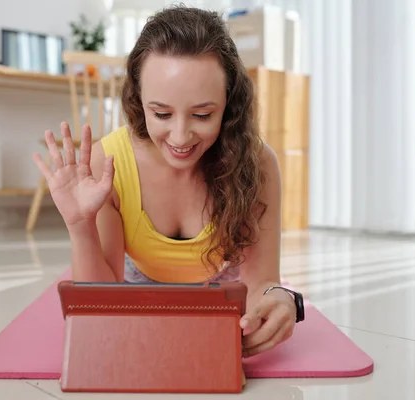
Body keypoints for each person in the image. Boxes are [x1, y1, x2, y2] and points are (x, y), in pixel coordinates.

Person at [33, 6, 298, 358]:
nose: (180, 135)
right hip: (137, 281)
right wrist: (80, 225)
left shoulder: (257, 163)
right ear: (138, 100)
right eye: (161, 113)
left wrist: (277, 301)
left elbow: (261, 282)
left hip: (224, 285)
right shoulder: (107, 162)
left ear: (229, 105)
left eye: (203, 114)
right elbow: (102, 300)